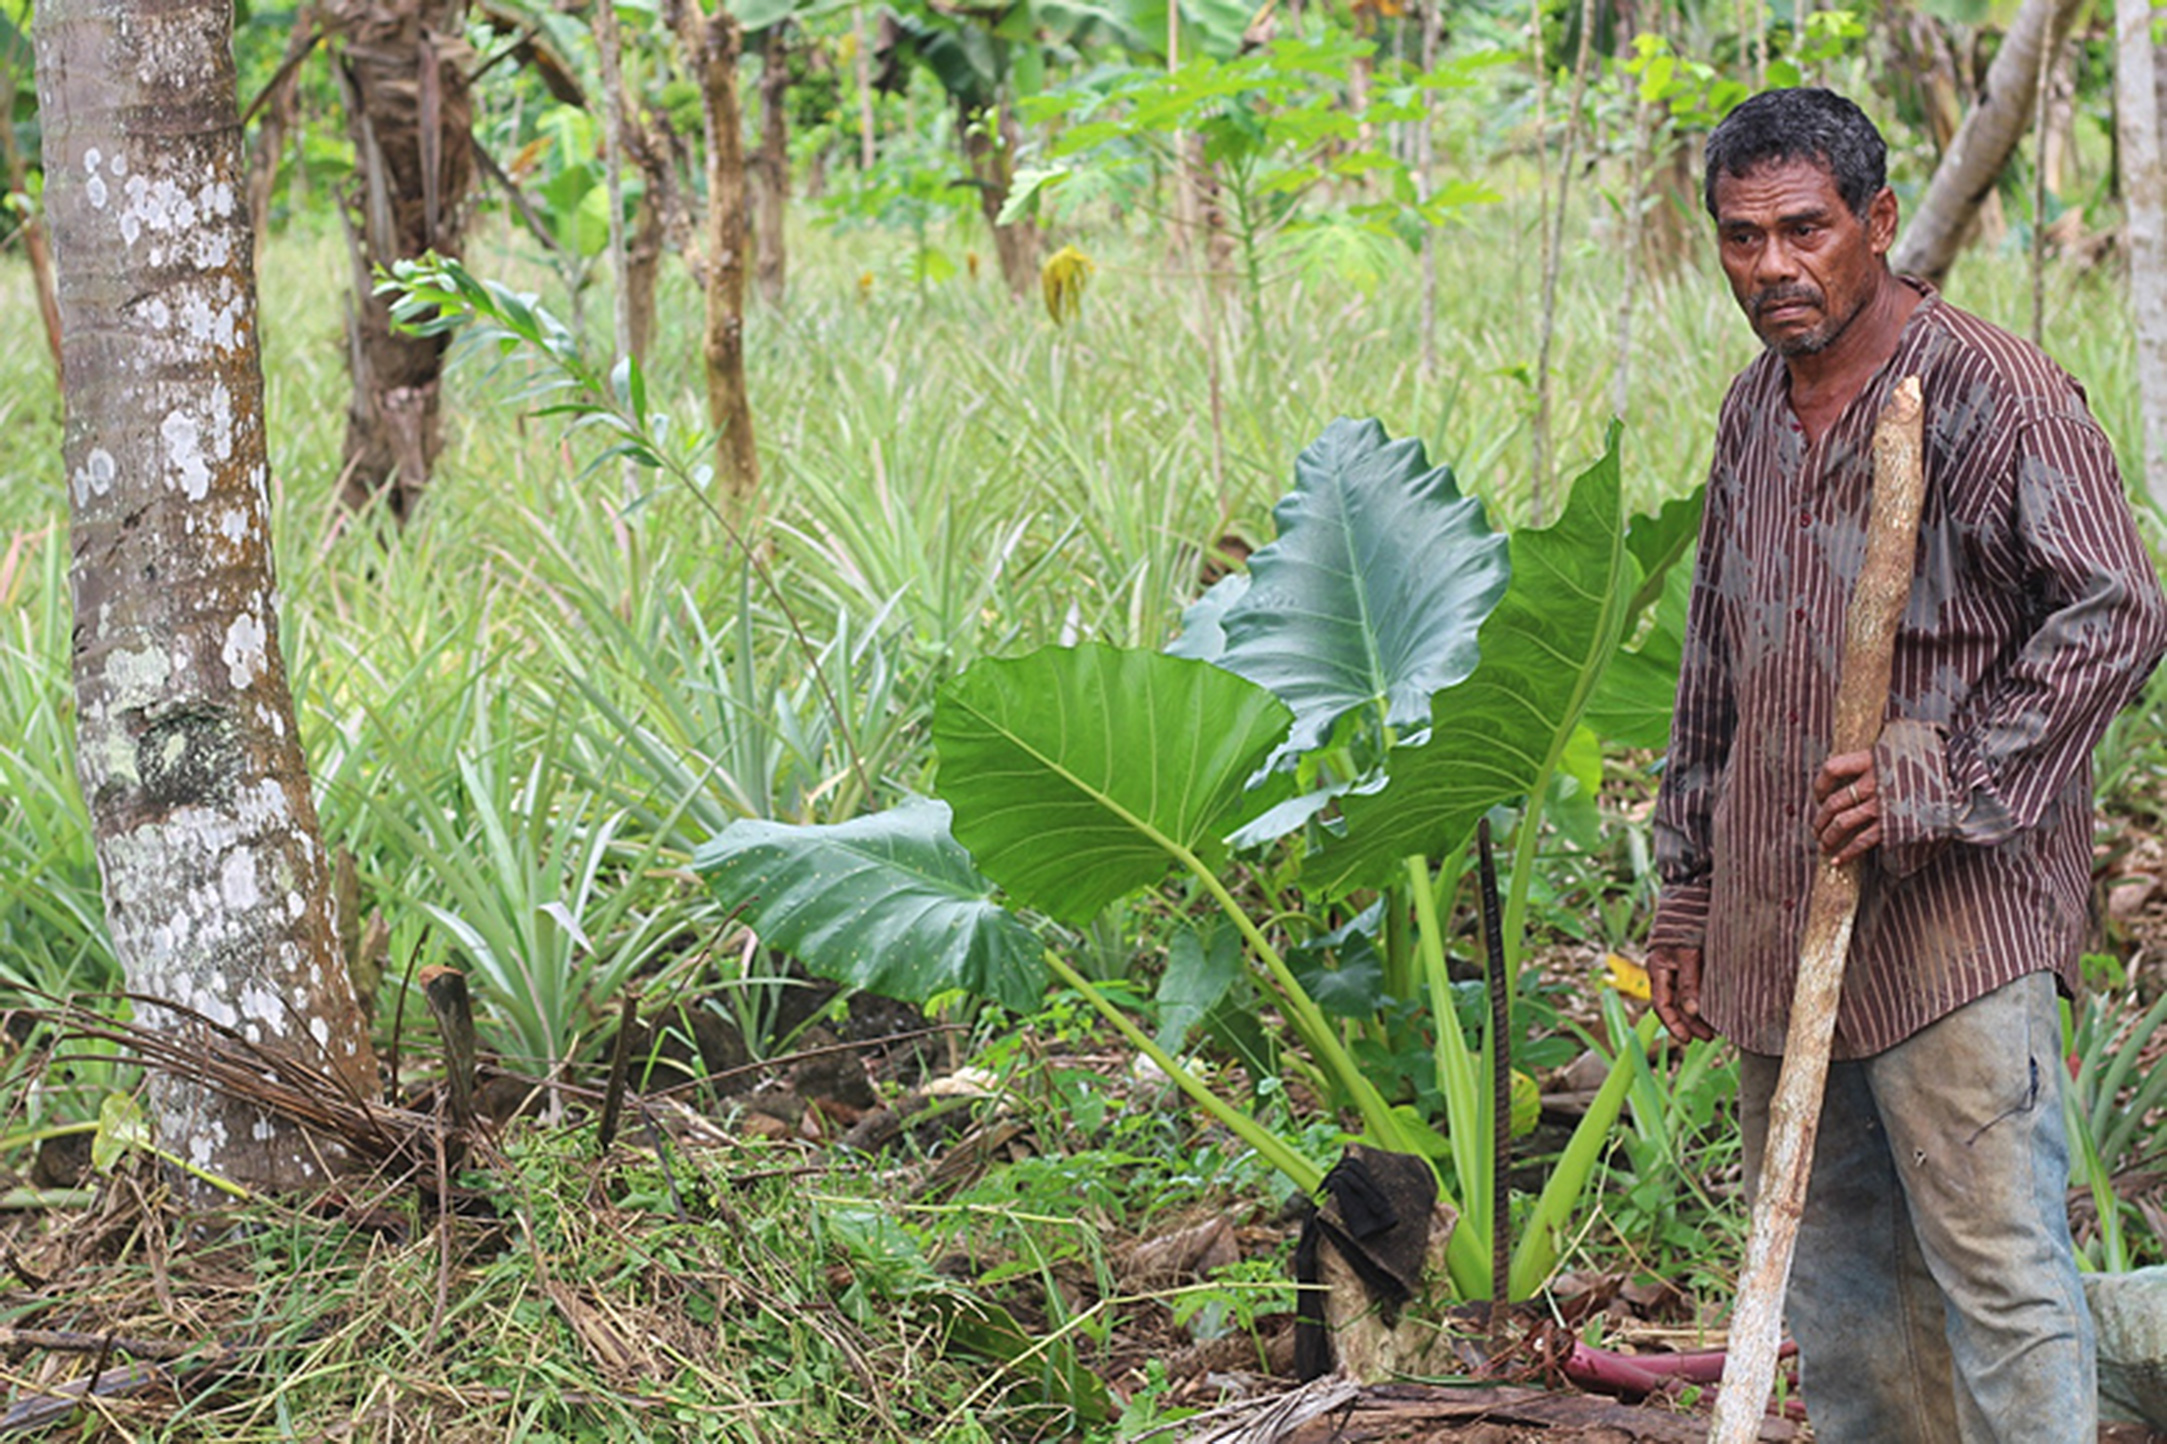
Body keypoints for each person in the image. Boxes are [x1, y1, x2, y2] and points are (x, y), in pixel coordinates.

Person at [1645, 87, 2167, 1443]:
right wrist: (1691, 889)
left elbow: (2117, 608)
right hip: (1780, 918)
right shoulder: (1755, 414)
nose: (1773, 267)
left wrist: (1943, 778)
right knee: (1840, 1283)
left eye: (1804, 230)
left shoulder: (1995, 390)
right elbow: (1717, 666)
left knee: (1997, 1277)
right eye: (1742, 238)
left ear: (1875, 224)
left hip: (1950, 936)